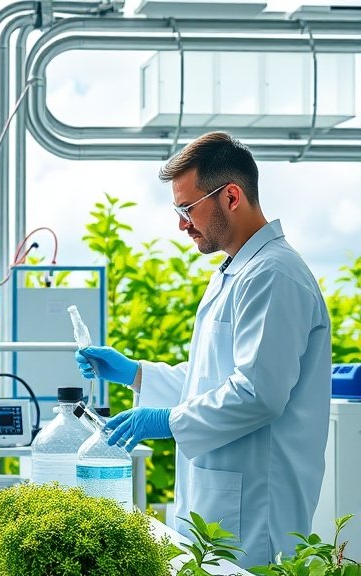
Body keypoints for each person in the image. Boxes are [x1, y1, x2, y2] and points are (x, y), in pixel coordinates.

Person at [75, 132, 331, 568]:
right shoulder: (235, 272)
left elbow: (257, 394)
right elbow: (209, 380)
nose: (181, 223)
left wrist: (167, 421)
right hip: (222, 500)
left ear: (231, 196)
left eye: (187, 208)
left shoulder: (274, 275)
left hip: (257, 509)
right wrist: (136, 373)